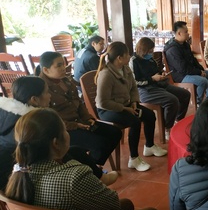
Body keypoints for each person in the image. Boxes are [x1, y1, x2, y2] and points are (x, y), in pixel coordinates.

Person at [4, 108, 161, 210]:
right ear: (56, 143)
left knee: (127, 204)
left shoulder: (18, 174)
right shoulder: (73, 176)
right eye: (65, 130)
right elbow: (113, 207)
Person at [0, 76, 118, 188]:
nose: (49, 95)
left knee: (76, 151)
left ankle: (97, 175)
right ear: (34, 100)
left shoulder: (9, 114)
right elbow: (49, 153)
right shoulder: (35, 123)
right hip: (18, 177)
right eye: (46, 92)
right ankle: (98, 178)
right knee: (75, 152)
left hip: (15, 168)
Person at [37, 51, 122, 172]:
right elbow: (50, 120)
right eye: (59, 65)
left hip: (81, 122)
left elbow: (80, 104)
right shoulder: (42, 89)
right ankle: (91, 171)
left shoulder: (66, 81)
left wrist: (88, 119)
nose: (63, 68)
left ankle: (90, 168)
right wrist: (76, 125)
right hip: (64, 129)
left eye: (64, 64)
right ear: (46, 70)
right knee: (100, 144)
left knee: (115, 132)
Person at [95, 42, 166, 172]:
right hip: (107, 110)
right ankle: (133, 158)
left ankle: (149, 146)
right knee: (134, 121)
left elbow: (133, 87)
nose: (130, 56)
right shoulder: (106, 74)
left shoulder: (125, 68)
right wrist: (124, 108)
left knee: (149, 115)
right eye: (127, 54)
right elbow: (102, 102)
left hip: (126, 104)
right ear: (119, 58)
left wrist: (134, 102)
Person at [130, 37, 190, 139]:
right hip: (143, 90)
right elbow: (134, 82)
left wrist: (161, 74)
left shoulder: (150, 59)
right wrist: (152, 79)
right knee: (172, 100)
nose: (151, 53)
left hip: (158, 85)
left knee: (185, 94)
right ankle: (167, 127)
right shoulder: (133, 61)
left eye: (152, 51)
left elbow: (156, 71)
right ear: (142, 50)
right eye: (149, 51)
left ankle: (177, 120)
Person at [164, 21, 208, 105]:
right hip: (180, 75)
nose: (188, 34)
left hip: (189, 71)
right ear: (179, 33)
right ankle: (198, 103)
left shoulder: (185, 44)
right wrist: (199, 72)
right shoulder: (172, 49)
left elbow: (193, 59)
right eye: (186, 32)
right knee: (203, 81)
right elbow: (182, 68)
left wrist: (201, 70)